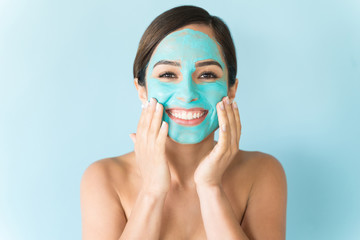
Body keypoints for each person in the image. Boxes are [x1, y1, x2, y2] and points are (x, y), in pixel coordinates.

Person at [80, 5, 287, 240]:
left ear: (231, 90)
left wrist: (210, 187)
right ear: (141, 89)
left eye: (207, 75)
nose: (187, 94)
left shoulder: (262, 173)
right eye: (168, 75)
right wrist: (151, 192)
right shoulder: (104, 178)